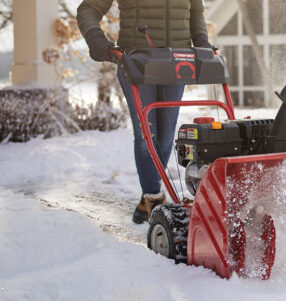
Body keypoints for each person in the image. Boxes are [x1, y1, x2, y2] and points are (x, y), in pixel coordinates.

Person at [77, 0, 212, 224]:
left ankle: (147, 196)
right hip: (137, 61)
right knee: (145, 135)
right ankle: (154, 199)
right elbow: (87, 9)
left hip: (177, 61)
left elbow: (195, 9)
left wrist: (202, 43)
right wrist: (96, 40)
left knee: (167, 136)